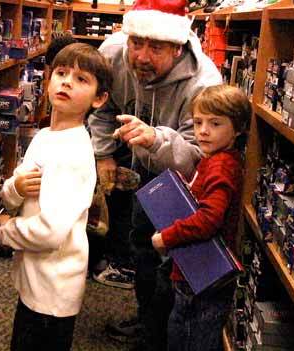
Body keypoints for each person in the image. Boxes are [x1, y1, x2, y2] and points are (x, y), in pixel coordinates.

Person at [87, 0, 222, 348]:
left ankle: (160, 331)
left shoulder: (203, 83)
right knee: (140, 242)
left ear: (178, 47)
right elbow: (103, 109)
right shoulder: (113, 53)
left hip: (181, 178)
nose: (142, 57)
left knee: (170, 257)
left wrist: (155, 139)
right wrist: (104, 156)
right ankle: (148, 318)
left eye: (156, 47)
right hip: (137, 158)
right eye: (137, 43)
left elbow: (198, 156)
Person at [0, 43, 112, 351]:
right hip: (34, 278)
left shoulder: (73, 153)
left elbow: (49, 232)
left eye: (81, 79)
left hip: (54, 288)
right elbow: (14, 189)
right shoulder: (45, 136)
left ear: (99, 99)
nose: (66, 82)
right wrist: (17, 189)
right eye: (61, 73)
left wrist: (5, 233)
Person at [152, 85, 251, 351]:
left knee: (187, 335)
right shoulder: (217, 158)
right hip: (201, 271)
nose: (203, 131)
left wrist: (166, 237)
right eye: (198, 122)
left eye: (215, 123)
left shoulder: (221, 166)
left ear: (238, 128)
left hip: (200, 274)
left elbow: (209, 219)